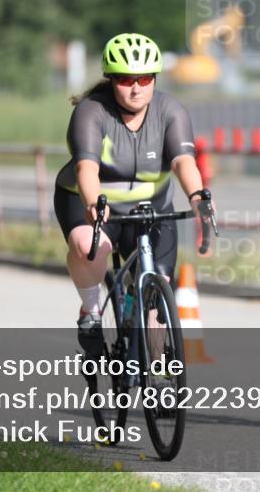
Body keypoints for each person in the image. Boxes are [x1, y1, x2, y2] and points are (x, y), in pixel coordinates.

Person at [54, 33, 209, 359]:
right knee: (88, 248)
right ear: (111, 80)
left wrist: (197, 196)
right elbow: (86, 169)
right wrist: (94, 203)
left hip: (150, 210)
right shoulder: (92, 111)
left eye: (144, 79)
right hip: (95, 205)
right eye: (126, 80)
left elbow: (184, 162)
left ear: (154, 79)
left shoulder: (170, 111)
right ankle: (91, 312)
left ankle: (161, 373)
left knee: (156, 289)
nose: (136, 88)